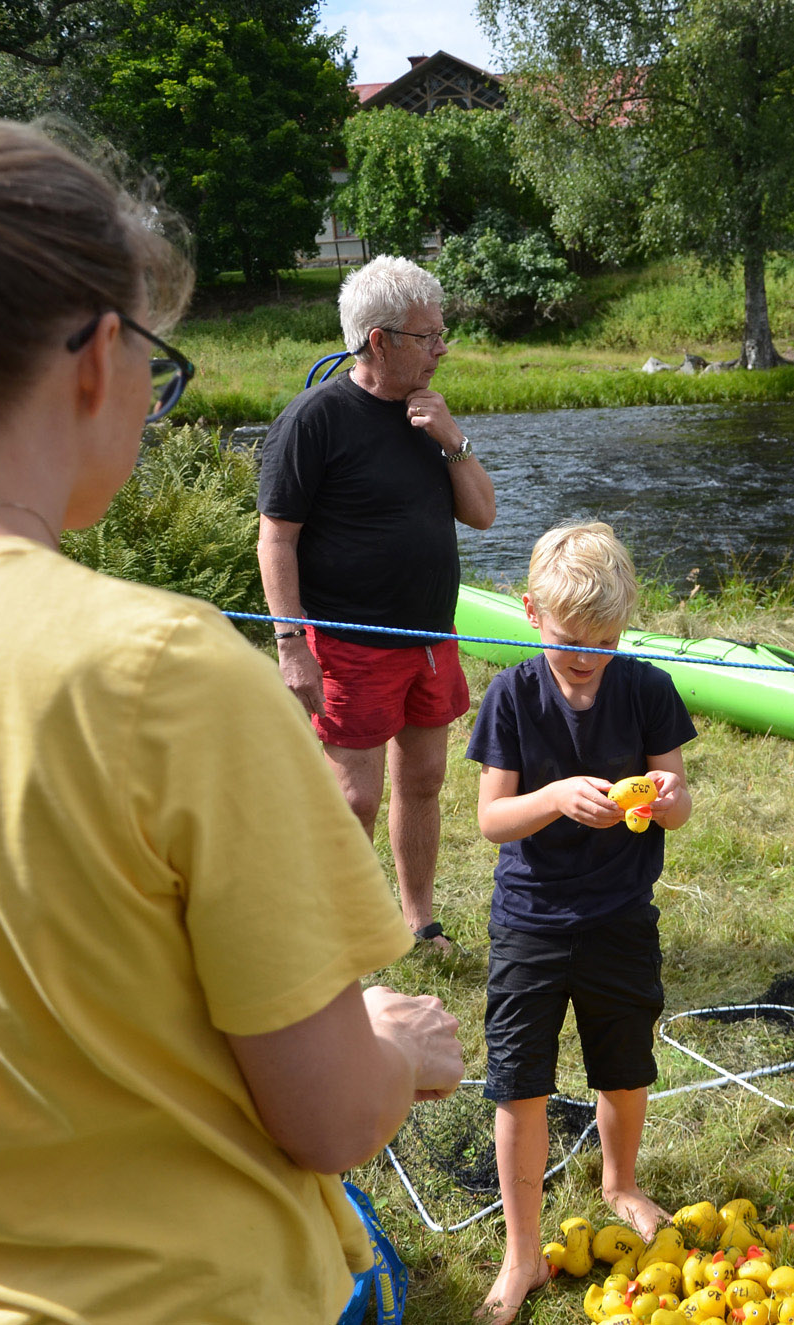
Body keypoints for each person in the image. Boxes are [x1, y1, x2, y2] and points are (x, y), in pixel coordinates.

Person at [0, 99, 467, 1325]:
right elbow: (326, 1118)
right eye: (155, 367)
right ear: (100, 354)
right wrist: (397, 1046)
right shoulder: (161, 667)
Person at [464, 522, 696, 1325]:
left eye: (605, 639)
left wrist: (667, 799)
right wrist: (557, 796)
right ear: (531, 613)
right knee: (520, 1081)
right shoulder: (511, 696)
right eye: (570, 641)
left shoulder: (647, 689)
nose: (587, 656)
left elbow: (681, 796)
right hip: (531, 920)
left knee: (624, 1067)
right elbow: (493, 817)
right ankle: (522, 1250)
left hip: (621, 915)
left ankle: (620, 1181)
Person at [257, 255, 497, 953]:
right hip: (347, 642)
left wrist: (452, 441)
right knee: (353, 798)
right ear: (378, 340)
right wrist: (291, 641)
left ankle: (418, 922)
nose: (442, 347)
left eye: (442, 331)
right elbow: (276, 539)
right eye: (428, 336)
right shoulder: (314, 420)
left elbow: (482, 514)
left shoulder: (432, 418)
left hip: (429, 636)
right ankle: (332, 934)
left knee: (422, 780)